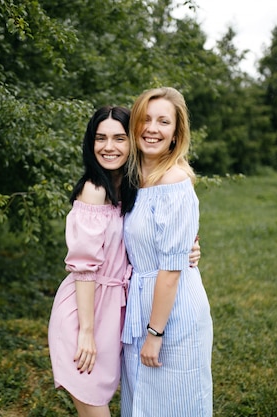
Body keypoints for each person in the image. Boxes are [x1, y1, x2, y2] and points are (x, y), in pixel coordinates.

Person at [48, 106, 201, 417]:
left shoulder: (131, 187)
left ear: (132, 141)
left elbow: (144, 238)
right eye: (100, 138)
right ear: (90, 144)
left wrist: (188, 250)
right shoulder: (94, 190)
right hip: (85, 314)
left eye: (119, 138)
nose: (109, 147)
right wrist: (86, 332)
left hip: (116, 314)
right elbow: (84, 268)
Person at [120, 87, 213, 417]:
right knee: (143, 403)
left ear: (176, 134)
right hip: (141, 304)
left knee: (175, 404)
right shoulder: (134, 177)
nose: (152, 128)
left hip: (172, 315)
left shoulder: (174, 181)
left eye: (163, 121)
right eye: (145, 119)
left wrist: (155, 333)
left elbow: (172, 270)